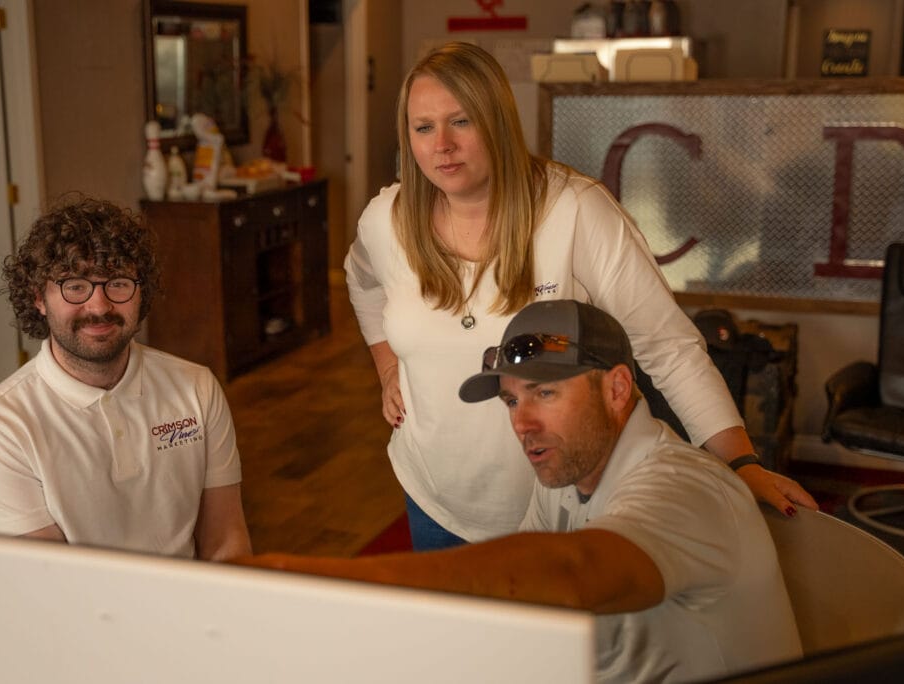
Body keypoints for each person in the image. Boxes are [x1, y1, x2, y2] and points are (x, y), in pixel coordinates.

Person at [345, 41, 815, 550]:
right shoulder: (387, 221)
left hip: (566, 503)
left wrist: (739, 461)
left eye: (461, 121)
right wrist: (387, 364)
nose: (442, 145)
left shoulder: (574, 211)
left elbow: (667, 345)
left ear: (498, 121)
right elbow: (361, 280)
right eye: (423, 127)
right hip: (436, 499)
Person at [238, 300, 804, 682]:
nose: (521, 423)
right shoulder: (566, 473)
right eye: (512, 400)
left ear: (618, 387)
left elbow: (570, 573)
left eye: (546, 394)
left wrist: (303, 585)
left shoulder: (684, 485)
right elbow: (525, 620)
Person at [0, 195, 252, 561]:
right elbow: (45, 589)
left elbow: (226, 542)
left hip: (189, 612)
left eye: (116, 282)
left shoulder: (197, 387)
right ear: (39, 297)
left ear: (140, 290)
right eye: (75, 285)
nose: (99, 307)